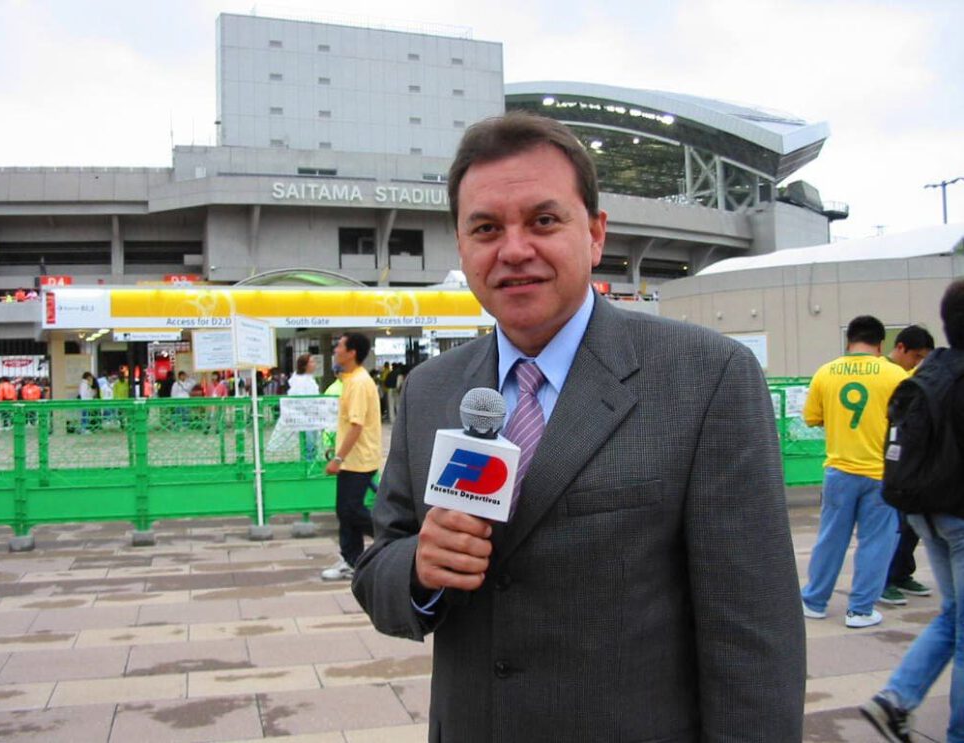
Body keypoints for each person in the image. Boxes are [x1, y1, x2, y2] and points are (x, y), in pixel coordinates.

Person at [352, 112, 805, 741]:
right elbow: (378, 570)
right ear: (462, 246)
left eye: (543, 220)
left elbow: (753, 636)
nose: (513, 249)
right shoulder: (433, 389)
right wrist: (420, 569)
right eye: (486, 228)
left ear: (594, 234)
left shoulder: (707, 377)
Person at [861, 279, 964, 743]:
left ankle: (897, 698)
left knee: (953, 615)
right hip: (959, 513)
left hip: (924, 509)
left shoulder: (931, 370)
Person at [801, 315, 907, 628]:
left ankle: (815, 601)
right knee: (876, 541)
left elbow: (812, 418)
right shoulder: (894, 374)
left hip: (838, 470)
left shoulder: (826, 372)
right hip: (880, 473)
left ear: (849, 340)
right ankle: (860, 610)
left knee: (831, 537)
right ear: (881, 343)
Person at [880, 325, 936, 608]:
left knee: (911, 525)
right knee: (896, 527)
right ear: (900, 348)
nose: (918, 363)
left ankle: (902, 573)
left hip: (912, 464)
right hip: (890, 462)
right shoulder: (894, 377)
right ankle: (885, 579)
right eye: (916, 356)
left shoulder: (912, 377)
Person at [321, 333, 381, 582]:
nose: (336, 349)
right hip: (354, 458)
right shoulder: (352, 380)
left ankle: (391, 535)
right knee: (346, 511)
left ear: (352, 352)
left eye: (340, 346)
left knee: (351, 510)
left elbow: (356, 426)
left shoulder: (358, 382)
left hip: (358, 459)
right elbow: (350, 424)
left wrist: (338, 457)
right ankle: (352, 559)